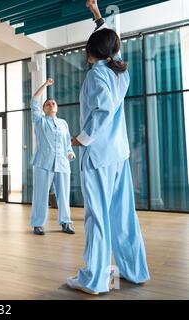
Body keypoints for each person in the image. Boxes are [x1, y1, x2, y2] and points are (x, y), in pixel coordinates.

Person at [66, 0, 150, 294]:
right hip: (118, 155)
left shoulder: (97, 75)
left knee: (97, 216)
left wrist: (82, 138)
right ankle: (134, 270)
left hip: (99, 156)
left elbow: (102, 111)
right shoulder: (119, 72)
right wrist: (97, 14)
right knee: (123, 213)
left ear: (92, 51)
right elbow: (115, 45)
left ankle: (95, 280)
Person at [30, 78, 76, 235]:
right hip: (43, 163)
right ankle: (37, 224)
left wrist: (70, 152)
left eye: (53, 103)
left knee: (63, 195)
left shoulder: (63, 123)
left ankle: (65, 222)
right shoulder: (39, 120)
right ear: (43, 109)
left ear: (57, 108)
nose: (51, 105)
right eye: (48, 104)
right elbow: (34, 100)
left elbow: (67, 142)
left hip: (62, 163)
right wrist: (45, 85)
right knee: (41, 195)